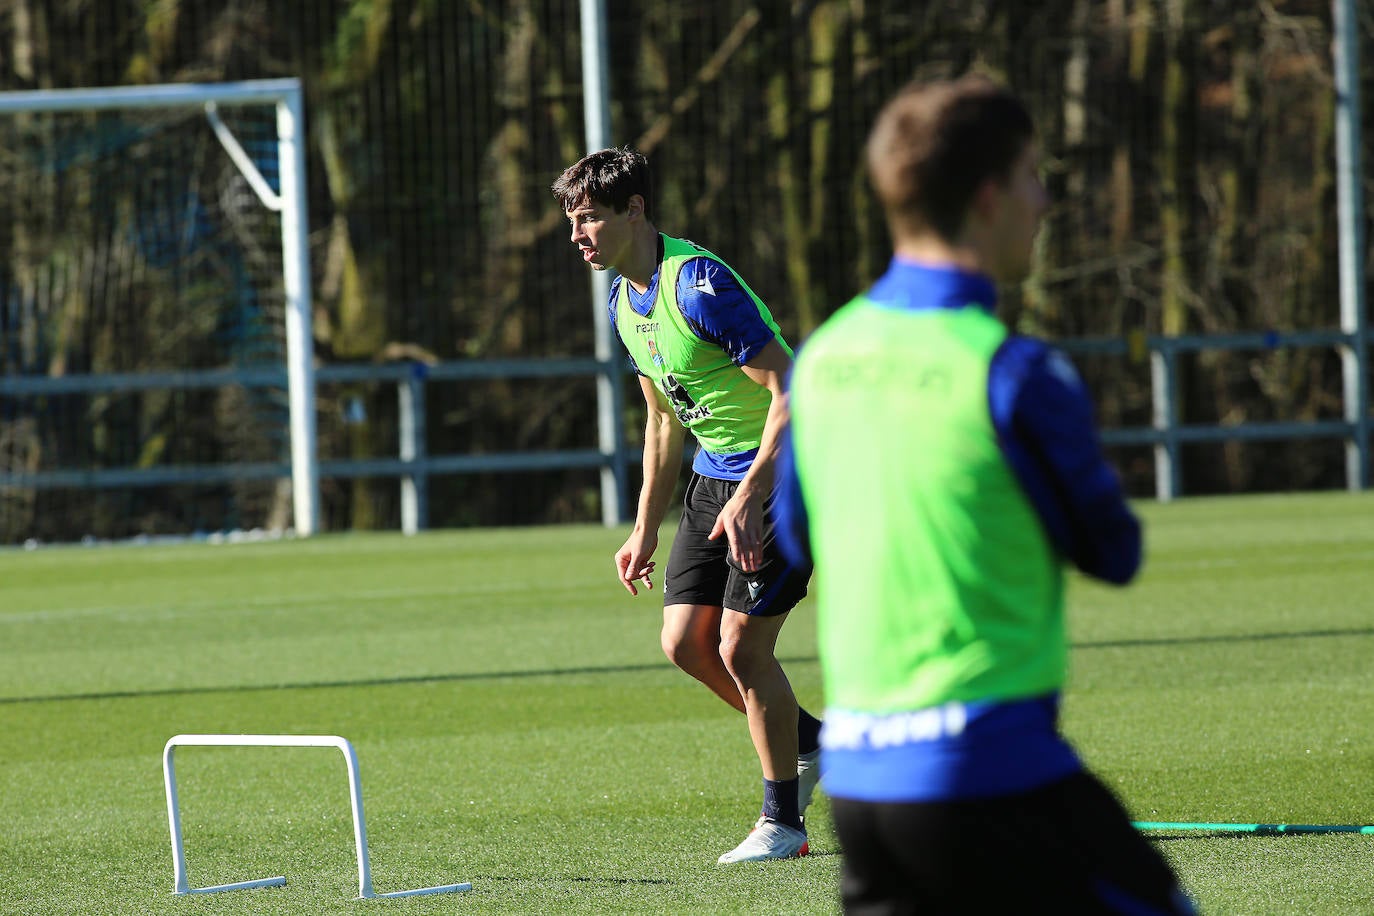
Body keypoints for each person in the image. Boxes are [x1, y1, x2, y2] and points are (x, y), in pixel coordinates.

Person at [776, 76, 1196, 913]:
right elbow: (1113, 552)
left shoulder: (823, 359)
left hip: (861, 789)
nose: (1044, 201)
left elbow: (796, 539)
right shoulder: (1013, 371)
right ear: (987, 197)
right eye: (1032, 175)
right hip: (988, 772)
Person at [552, 147, 822, 864]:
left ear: (634, 210)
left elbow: (792, 390)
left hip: (786, 472)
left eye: (589, 219)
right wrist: (643, 528)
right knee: (683, 644)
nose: (578, 235)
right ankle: (814, 743)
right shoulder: (622, 300)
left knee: (742, 648)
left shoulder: (699, 287)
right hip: (715, 479)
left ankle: (783, 823)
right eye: (573, 221)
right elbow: (663, 420)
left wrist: (753, 492)